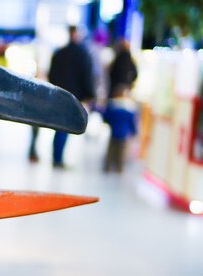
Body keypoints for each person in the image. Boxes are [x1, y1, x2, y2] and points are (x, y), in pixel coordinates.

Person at [39, 25, 95, 168]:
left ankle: (56, 156)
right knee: (64, 128)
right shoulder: (82, 54)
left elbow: (51, 74)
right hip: (73, 97)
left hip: (59, 95)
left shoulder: (59, 53)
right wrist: (89, 94)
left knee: (59, 127)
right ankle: (58, 158)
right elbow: (87, 76)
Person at [102, 83, 137, 173]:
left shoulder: (113, 106)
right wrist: (133, 132)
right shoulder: (129, 109)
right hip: (124, 134)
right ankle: (119, 169)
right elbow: (131, 122)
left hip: (114, 132)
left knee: (111, 151)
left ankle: (107, 167)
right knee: (121, 153)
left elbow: (106, 117)